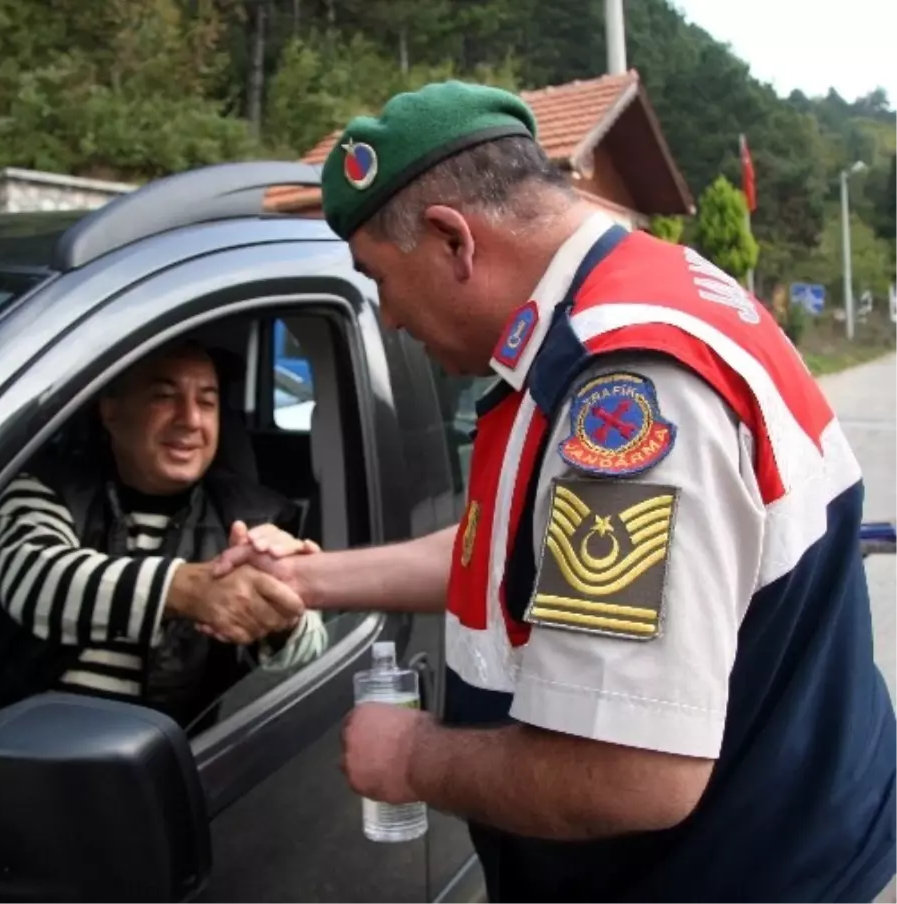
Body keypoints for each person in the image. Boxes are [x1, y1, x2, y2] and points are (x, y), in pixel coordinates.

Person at [213, 81, 897, 902]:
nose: (388, 319)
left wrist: (410, 757)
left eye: (380, 280)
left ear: (452, 241)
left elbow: (633, 773)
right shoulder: (640, 297)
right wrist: (305, 579)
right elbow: (517, 548)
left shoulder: (624, 386)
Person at [0, 338, 327, 729]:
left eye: (207, 402)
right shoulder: (47, 486)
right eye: (164, 396)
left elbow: (312, 660)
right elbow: (33, 579)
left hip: (173, 770)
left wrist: (285, 615)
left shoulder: (257, 518)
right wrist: (188, 590)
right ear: (111, 410)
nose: (190, 420)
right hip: (26, 755)